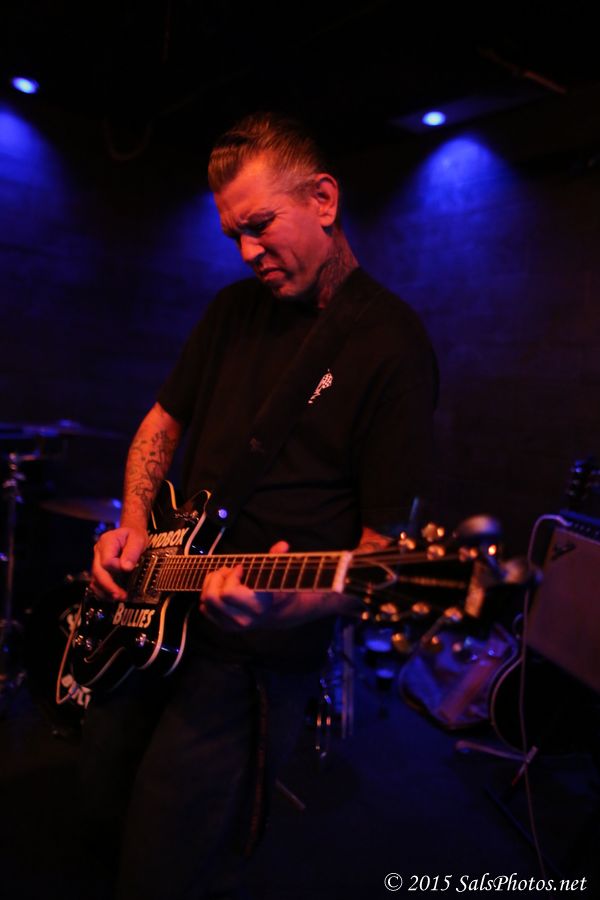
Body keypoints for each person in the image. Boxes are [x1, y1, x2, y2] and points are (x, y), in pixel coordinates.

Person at [84, 112, 438, 900]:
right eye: (233, 236)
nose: (247, 252)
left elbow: (381, 558)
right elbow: (161, 423)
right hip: (153, 616)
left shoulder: (392, 346)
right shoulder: (230, 312)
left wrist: (287, 607)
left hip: (248, 663)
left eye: (260, 225)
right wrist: (133, 529)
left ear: (323, 199)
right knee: (99, 807)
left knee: (164, 862)